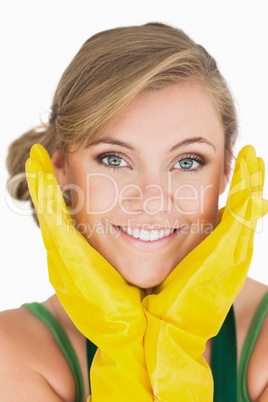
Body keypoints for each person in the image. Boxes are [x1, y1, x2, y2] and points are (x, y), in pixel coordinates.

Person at [1, 22, 267, 401]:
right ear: (60, 169)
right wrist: (123, 352)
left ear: (227, 170)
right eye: (114, 159)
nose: (152, 199)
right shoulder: (10, 352)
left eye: (187, 162)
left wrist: (180, 340)